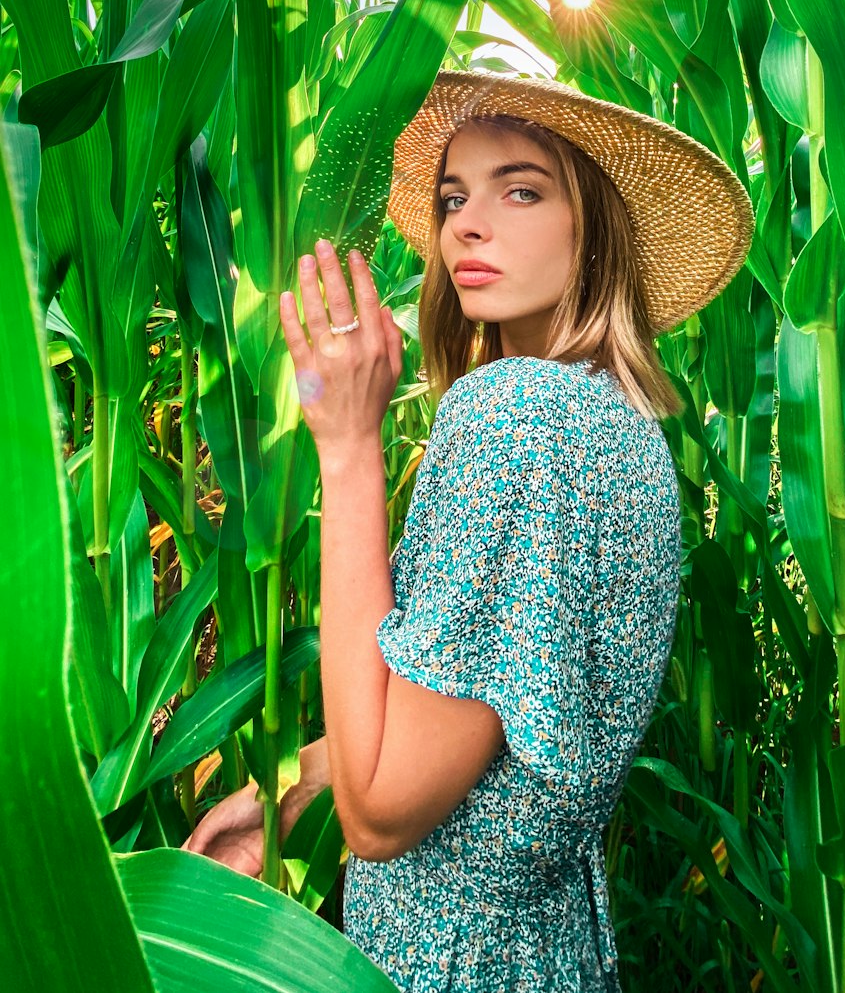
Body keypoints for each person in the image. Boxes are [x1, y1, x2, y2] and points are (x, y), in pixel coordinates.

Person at [182, 70, 754, 991]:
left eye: (520, 190)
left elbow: (383, 814)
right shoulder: (622, 428)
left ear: (595, 229)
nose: (465, 225)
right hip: (551, 948)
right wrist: (289, 792)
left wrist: (349, 445)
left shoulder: (516, 417)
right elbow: (464, 720)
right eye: (454, 197)